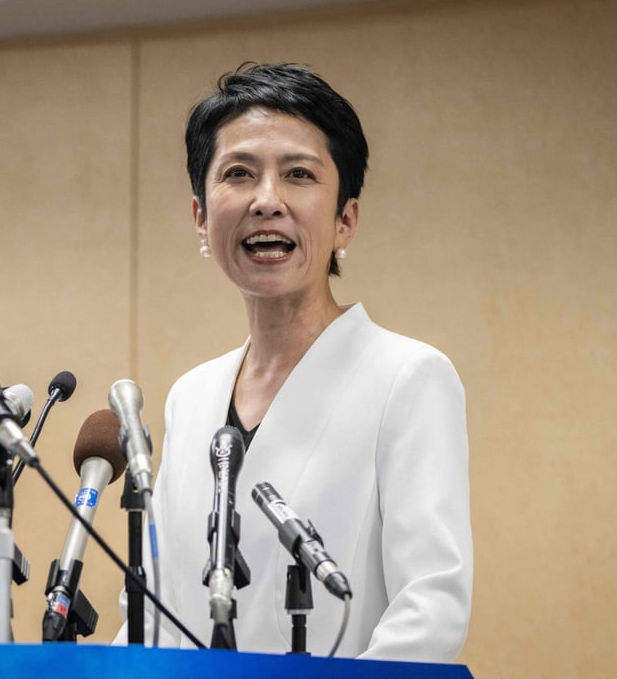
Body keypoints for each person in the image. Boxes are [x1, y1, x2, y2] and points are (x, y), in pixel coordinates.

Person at [117, 62, 472, 663]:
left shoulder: (408, 377)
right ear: (201, 217)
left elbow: (430, 609)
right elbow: (154, 608)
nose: (266, 201)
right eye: (238, 174)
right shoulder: (191, 395)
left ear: (344, 221)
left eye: (299, 174)